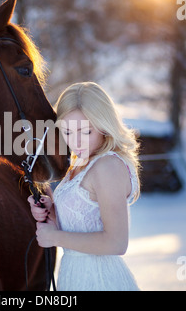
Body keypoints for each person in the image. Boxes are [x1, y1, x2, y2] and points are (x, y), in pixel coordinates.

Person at [28, 82, 140, 291]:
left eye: (85, 132)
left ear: (103, 125)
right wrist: (52, 212)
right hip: (73, 275)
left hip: (100, 281)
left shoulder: (108, 166)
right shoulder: (81, 162)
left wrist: (54, 237)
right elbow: (84, 223)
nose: (76, 142)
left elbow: (116, 242)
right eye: (67, 132)